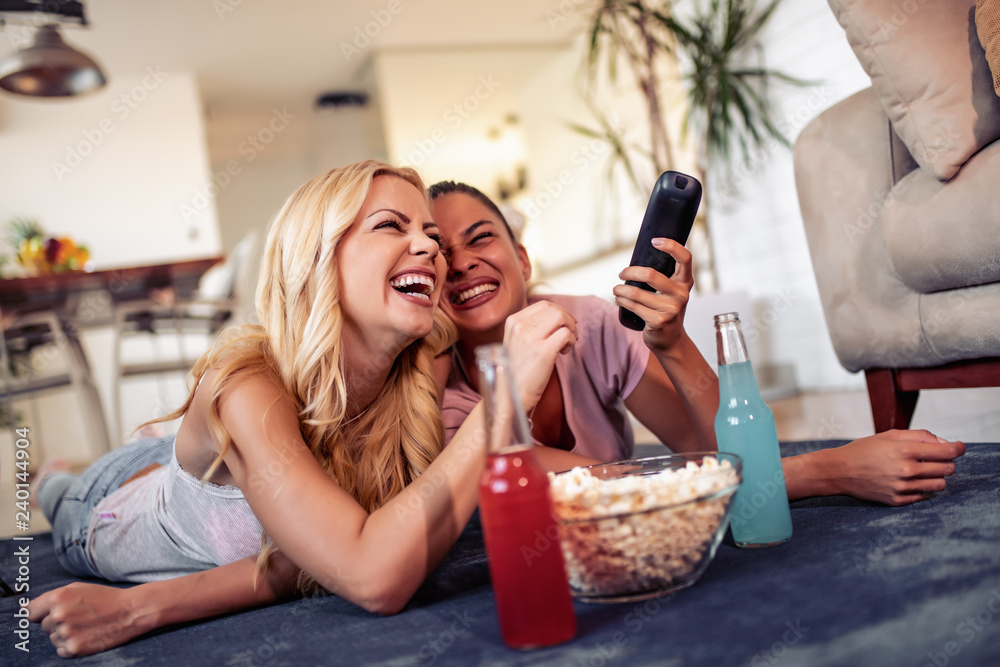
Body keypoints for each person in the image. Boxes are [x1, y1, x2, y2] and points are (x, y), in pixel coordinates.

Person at [27, 160, 544, 658]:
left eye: (430, 234)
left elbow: (305, 561)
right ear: (317, 259)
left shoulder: (415, 367)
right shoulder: (247, 385)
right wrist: (504, 401)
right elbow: (369, 574)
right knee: (59, 495)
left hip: (219, 457)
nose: (430, 248)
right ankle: (47, 480)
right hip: (109, 503)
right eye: (391, 225)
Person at [427, 180, 966, 506]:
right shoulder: (438, 401)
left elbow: (719, 452)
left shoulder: (587, 324)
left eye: (481, 238)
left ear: (522, 259)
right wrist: (831, 470)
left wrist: (669, 339)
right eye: (439, 251)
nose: (462, 262)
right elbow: (602, 486)